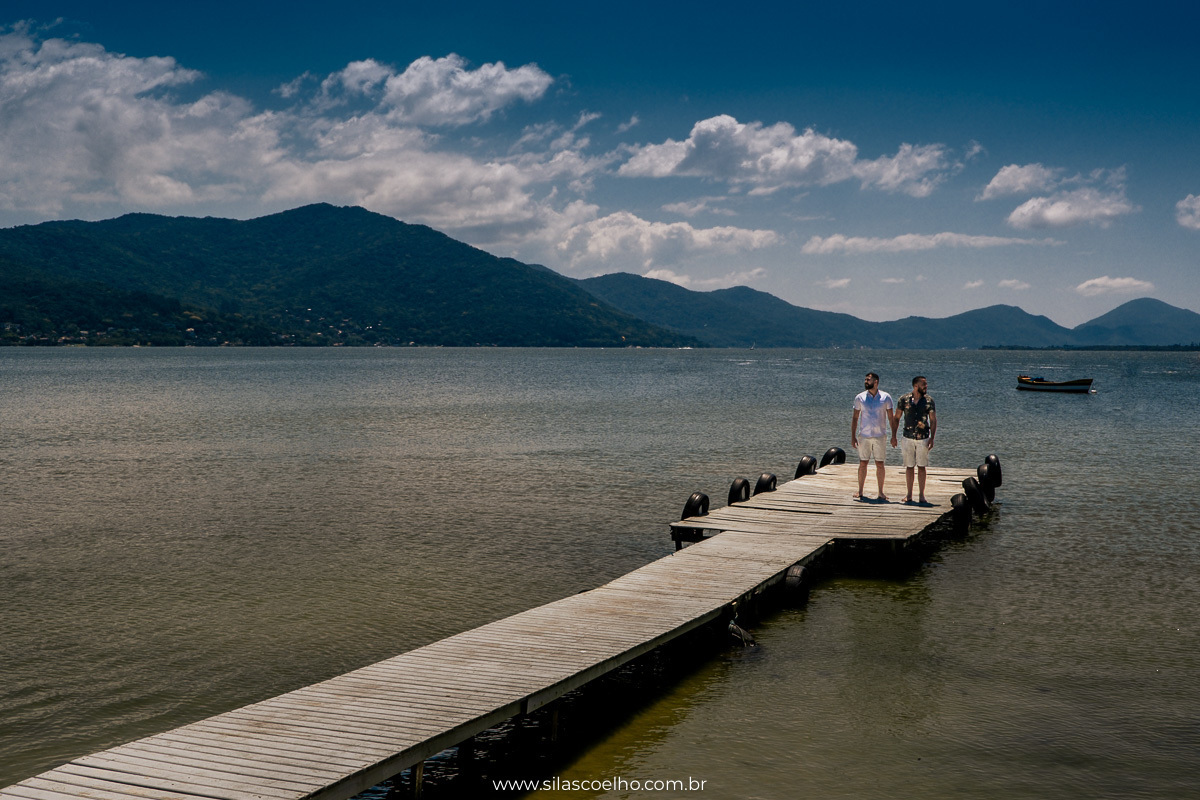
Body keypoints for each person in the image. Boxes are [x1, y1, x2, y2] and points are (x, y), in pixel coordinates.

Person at [850, 371, 894, 501]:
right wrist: (853, 436)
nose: (865, 381)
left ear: (876, 382)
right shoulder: (860, 397)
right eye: (865, 379)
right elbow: (855, 418)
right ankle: (860, 491)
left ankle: (880, 492)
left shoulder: (886, 397)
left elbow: (891, 418)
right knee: (863, 463)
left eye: (868, 380)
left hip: (880, 435)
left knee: (880, 464)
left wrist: (894, 435)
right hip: (864, 435)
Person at [894, 375, 937, 504]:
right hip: (907, 437)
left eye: (926, 384)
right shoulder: (904, 399)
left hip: (923, 438)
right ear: (916, 386)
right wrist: (893, 436)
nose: (926, 386)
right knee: (909, 466)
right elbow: (897, 418)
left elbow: (933, 420)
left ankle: (922, 495)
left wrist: (932, 438)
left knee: (922, 466)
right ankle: (909, 494)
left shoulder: (929, 401)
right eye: (924, 384)